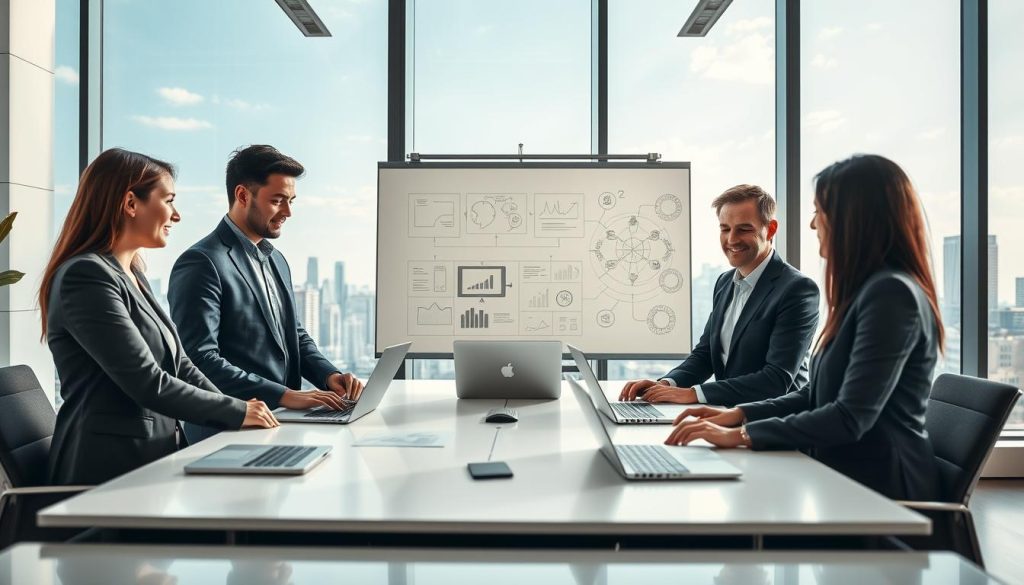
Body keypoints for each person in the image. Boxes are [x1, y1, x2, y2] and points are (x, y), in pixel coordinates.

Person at [665, 154, 943, 501]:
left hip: (880, 489)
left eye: (819, 211)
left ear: (855, 218)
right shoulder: (868, 291)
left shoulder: (891, 294)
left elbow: (848, 416)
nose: (813, 225)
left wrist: (741, 434)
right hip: (840, 472)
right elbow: (817, 394)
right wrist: (736, 416)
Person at [41, 148, 278, 486]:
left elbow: (181, 367)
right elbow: (146, 382)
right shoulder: (86, 276)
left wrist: (239, 413)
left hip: (152, 460)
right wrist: (237, 413)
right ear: (130, 203)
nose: (176, 215)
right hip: (106, 472)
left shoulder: (132, 274)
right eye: (168, 200)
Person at [168, 145, 362, 442]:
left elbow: (294, 335)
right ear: (243, 195)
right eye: (278, 201)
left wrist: (328, 375)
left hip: (278, 425)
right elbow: (199, 359)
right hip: (225, 432)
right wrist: (285, 395)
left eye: (291, 201)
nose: (288, 212)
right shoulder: (202, 262)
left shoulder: (276, 260)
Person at [620, 185, 820, 407]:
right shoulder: (724, 282)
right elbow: (706, 355)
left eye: (744, 229)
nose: (732, 239)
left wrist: (694, 394)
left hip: (774, 424)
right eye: (725, 229)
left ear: (770, 229)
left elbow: (776, 380)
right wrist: (668, 384)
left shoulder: (798, 289)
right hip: (724, 415)